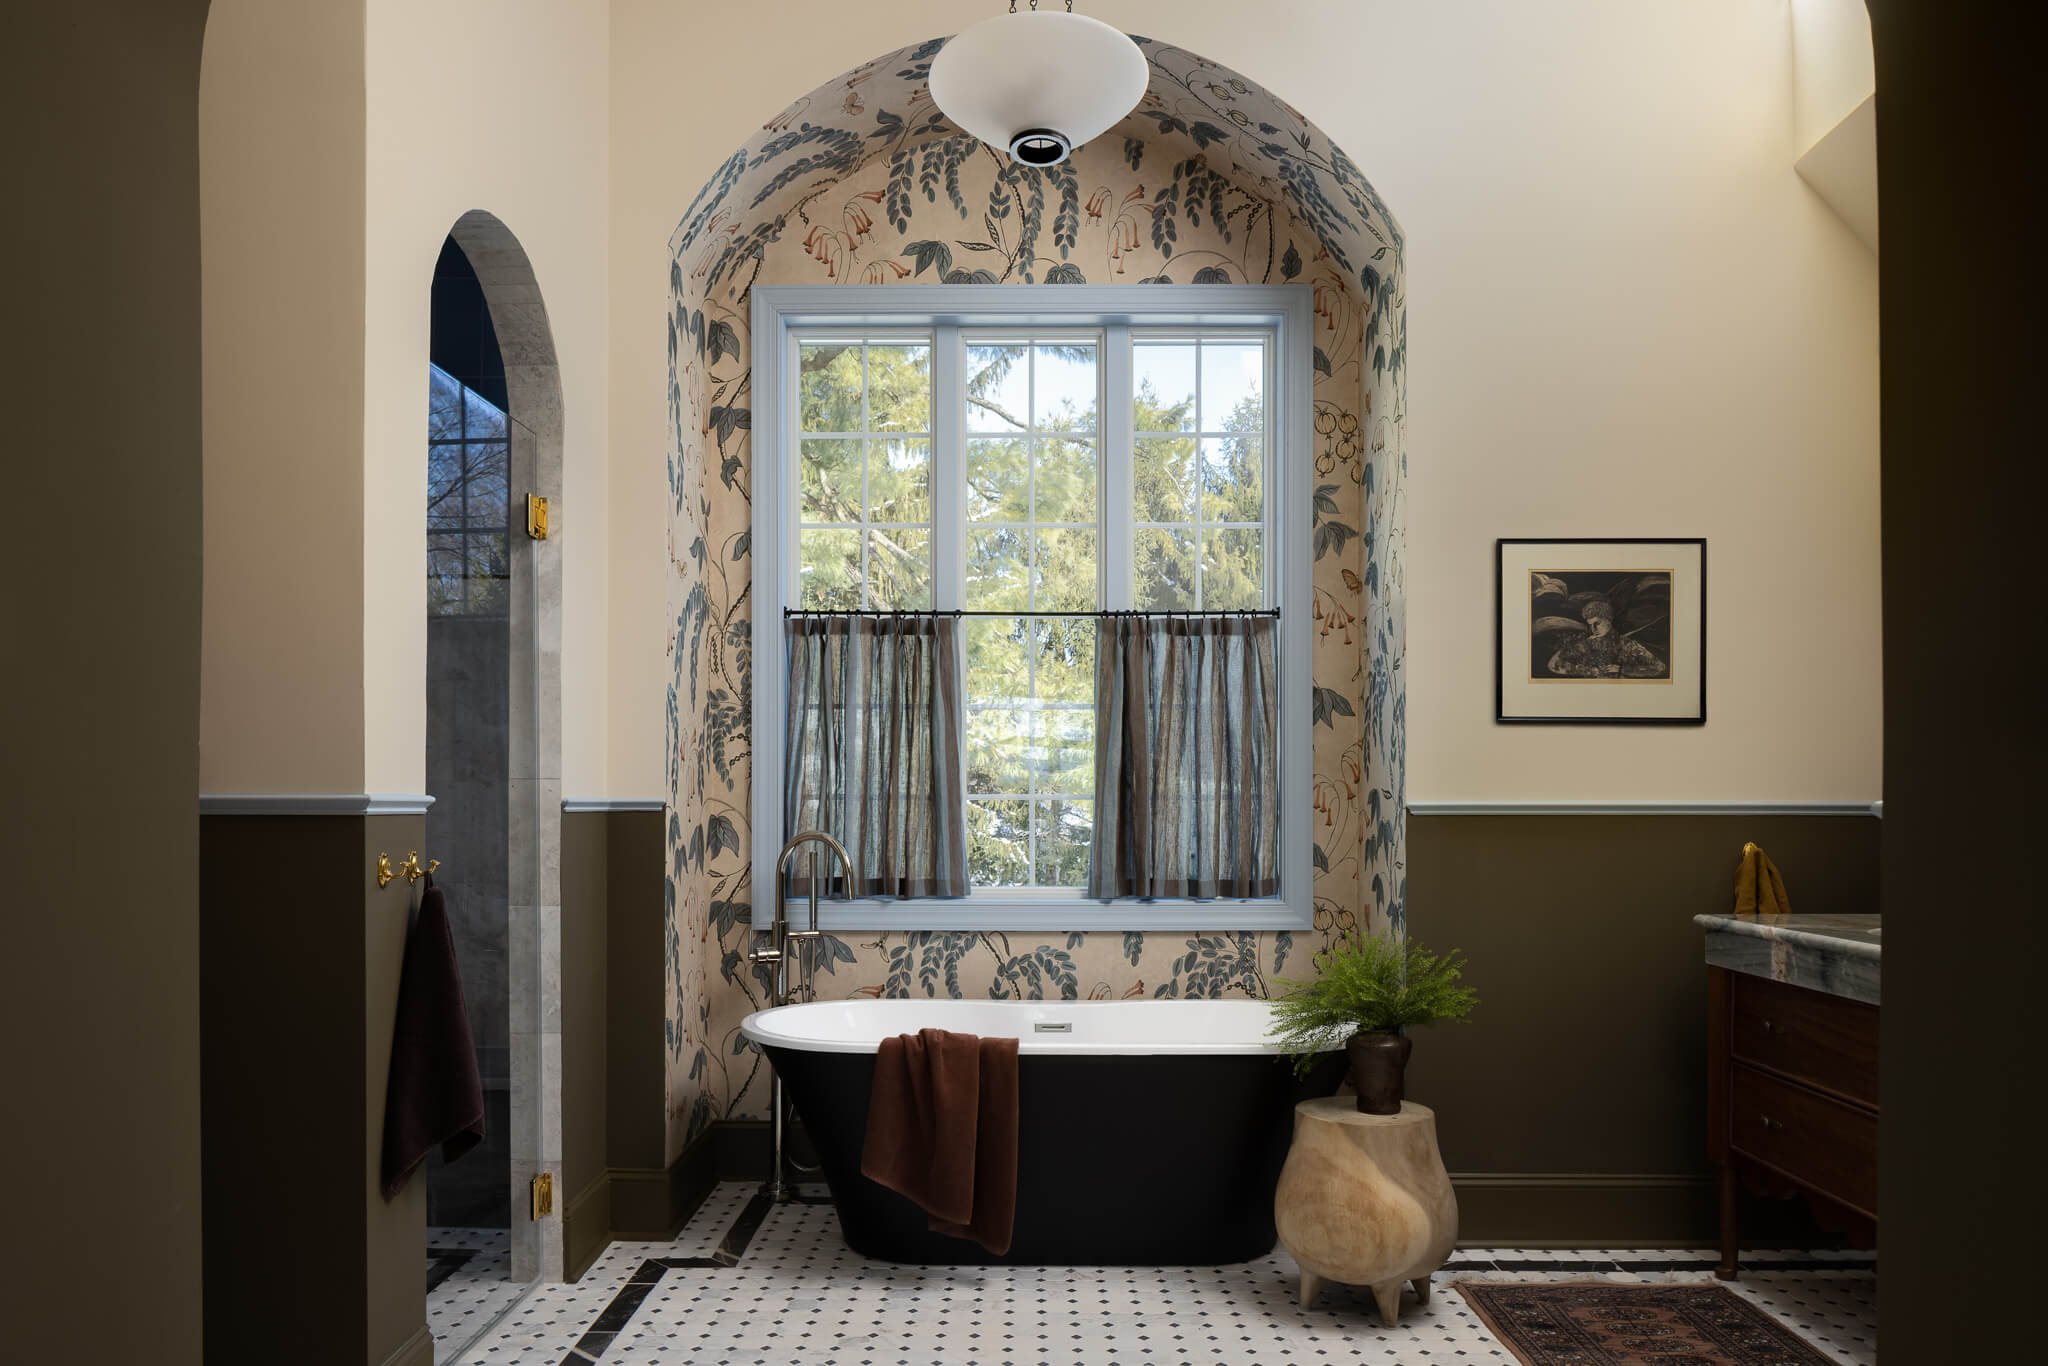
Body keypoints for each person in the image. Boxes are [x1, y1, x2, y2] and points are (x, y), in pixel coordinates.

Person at [1544, 600, 1666, 678]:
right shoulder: (1585, 644)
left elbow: (1659, 667)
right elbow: (1554, 664)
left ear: (1608, 620)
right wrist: (1590, 671)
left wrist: (1622, 669)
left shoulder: (1627, 644)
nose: (1593, 629)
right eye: (1590, 625)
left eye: (1597, 623)